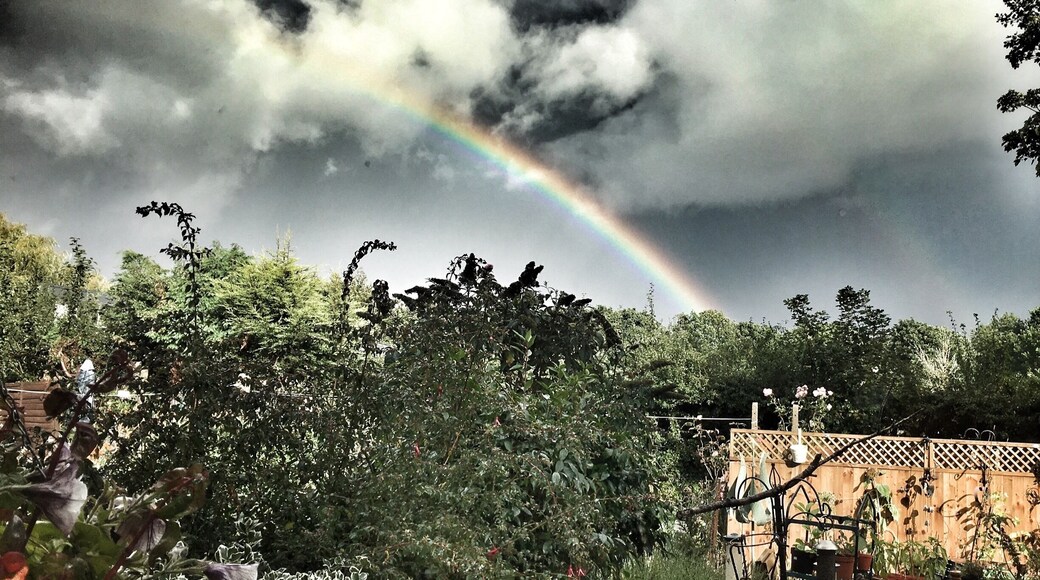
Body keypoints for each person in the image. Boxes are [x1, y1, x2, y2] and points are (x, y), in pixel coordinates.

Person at [76, 352, 95, 423]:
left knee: (86, 403)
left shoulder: (88, 373)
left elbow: (81, 381)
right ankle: (84, 417)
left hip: (86, 392)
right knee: (86, 403)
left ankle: (86, 417)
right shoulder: (91, 373)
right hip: (87, 392)